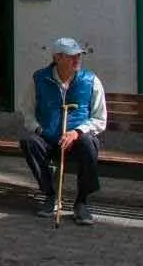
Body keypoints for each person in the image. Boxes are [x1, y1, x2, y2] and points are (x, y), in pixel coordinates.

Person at [18, 37, 107, 225]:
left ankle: (81, 202)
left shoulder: (90, 81)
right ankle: (51, 195)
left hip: (77, 140)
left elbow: (100, 119)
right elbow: (27, 110)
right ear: (57, 58)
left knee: (89, 144)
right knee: (28, 141)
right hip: (49, 138)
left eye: (79, 56)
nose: (77, 60)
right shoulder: (40, 79)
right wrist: (39, 129)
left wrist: (77, 132)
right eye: (72, 56)